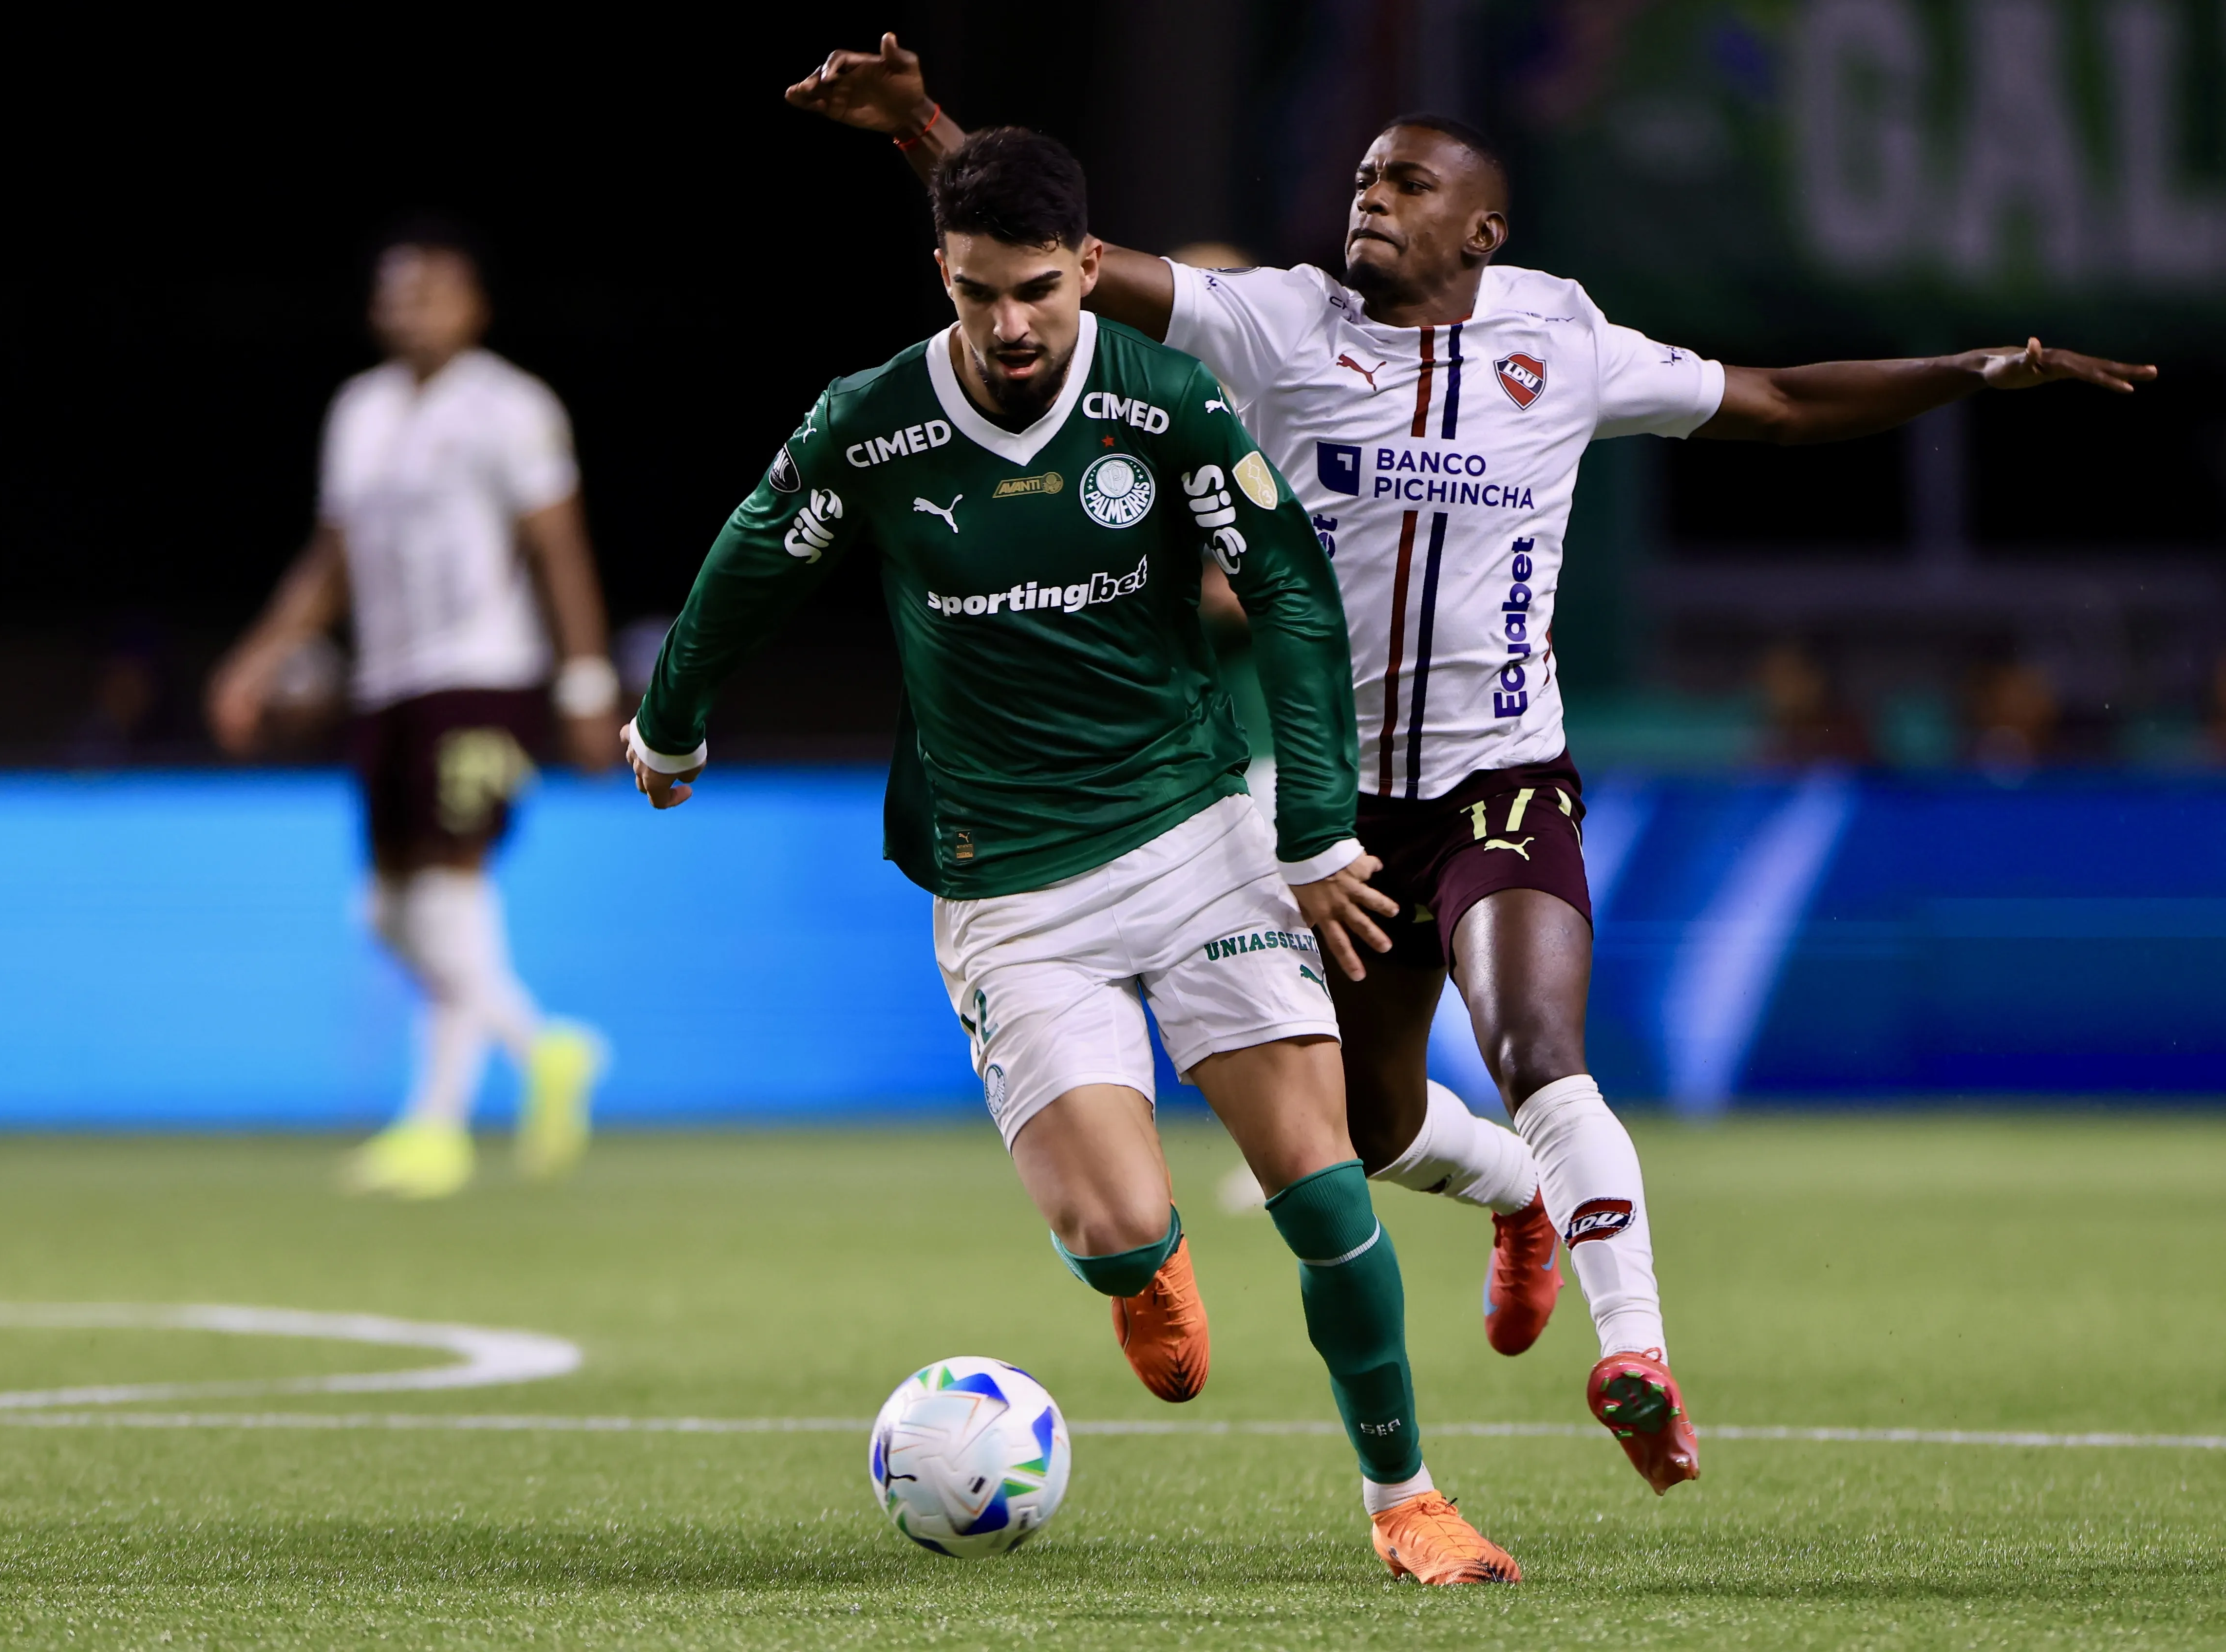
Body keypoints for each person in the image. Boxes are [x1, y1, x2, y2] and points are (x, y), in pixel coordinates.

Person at [788, 33, 2158, 1494]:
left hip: (1500, 777)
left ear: (1481, 230)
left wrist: (1970, 369)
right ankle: (1509, 1195)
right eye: (1365, 175)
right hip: (1336, 819)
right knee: (1364, 1131)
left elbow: (1770, 404)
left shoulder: (1560, 341)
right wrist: (916, 126)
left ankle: (1631, 1348)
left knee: (1535, 1048)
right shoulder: (1275, 324)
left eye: (1408, 183)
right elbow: (1057, 257)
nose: (1370, 196)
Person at [627, 128, 1518, 1585]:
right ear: (943, 276)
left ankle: (1405, 1501)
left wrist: (1308, 831)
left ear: (1087, 269)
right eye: (978, 294)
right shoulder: (869, 422)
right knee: (1112, 1225)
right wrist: (669, 729)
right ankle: (1137, 1269)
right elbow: (753, 551)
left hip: (1191, 839)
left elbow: (1289, 587)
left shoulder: (1162, 403)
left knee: (1318, 1180)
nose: (1011, 324)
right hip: (1008, 889)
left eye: (1038, 290)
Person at [209, 220, 616, 1200]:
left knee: (448, 885)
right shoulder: (360, 411)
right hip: (386, 682)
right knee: (388, 909)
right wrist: (257, 658)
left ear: (473, 305)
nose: (410, 308)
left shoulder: (511, 407)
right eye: (395, 293)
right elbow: (332, 560)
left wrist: (588, 681)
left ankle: (435, 1127)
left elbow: (558, 546)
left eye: (430, 291)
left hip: (482, 674)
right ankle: (543, 1046)